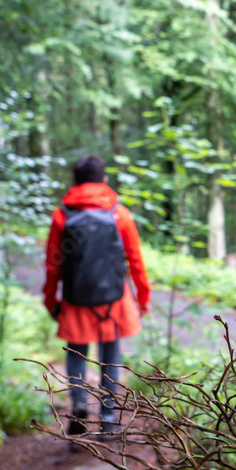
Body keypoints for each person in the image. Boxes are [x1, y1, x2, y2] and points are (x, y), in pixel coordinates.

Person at [42, 155, 151, 438]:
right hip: (113, 298)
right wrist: (143, 296)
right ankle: (108, 415)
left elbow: (53, 261)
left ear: (75, 182)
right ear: (104, 180)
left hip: (76, 297)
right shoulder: (119, 213)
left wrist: (49, 297)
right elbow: (135, 260)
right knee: (110, 354)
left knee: (76, 353)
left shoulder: (62, 215)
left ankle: (78, 408)